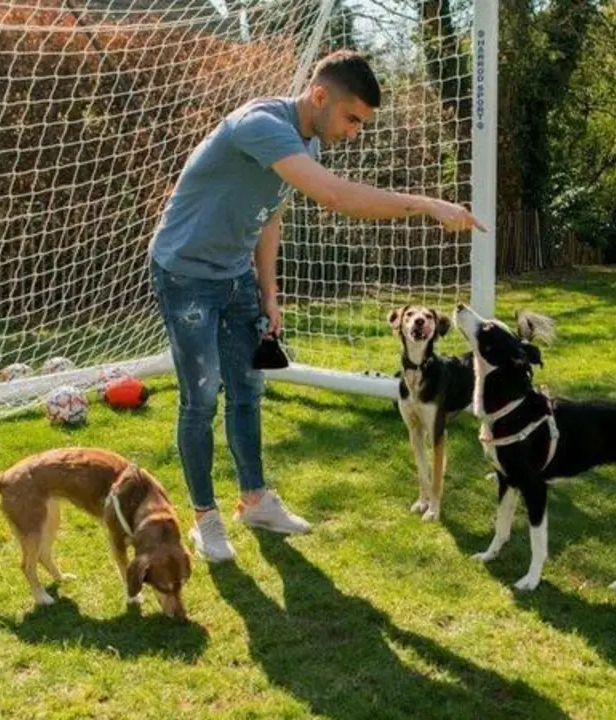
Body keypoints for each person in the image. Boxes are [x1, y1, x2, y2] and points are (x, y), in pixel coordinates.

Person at [149, 49, 484, 562]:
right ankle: (205, 518)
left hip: (235, 274)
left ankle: (255, 499)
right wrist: (426, 204)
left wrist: (268, 295)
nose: (354, 132)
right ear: (320, 96)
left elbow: (269, 220)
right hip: (185, 272)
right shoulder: (260, 124)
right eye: (352, 119)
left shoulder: (308, 145)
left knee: (247, 390)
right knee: (201, 398)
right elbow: (337, 198)